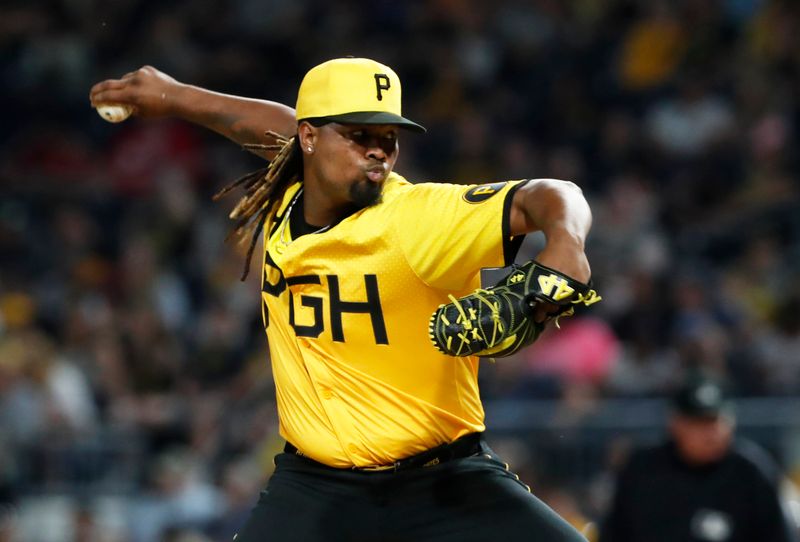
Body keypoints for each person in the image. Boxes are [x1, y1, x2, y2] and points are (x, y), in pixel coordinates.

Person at [90, 58, 593, 542]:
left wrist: (565, 247)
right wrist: (171, 95)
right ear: (308, 138)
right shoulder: (289, 185)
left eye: (387, 139)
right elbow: (258, 122)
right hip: (313, 487)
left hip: (442, 482)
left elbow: (553, 194)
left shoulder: (417, 219)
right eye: (359, 135)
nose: (378, 152)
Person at [599, 375, 798, 542]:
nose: (711, 433)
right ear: (675, 424)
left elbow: (780, 535)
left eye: (715, 421)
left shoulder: (751, 471)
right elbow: (614, 533)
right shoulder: (642, 471)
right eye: (699, 423)